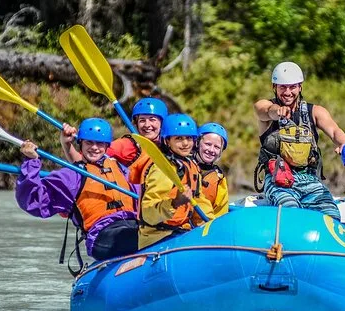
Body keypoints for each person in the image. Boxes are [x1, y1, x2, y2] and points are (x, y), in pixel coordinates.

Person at [16, 118, 138, 261]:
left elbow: (144, 196)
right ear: (81, 143)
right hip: (102, 235)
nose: (94, 148)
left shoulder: (120, 169)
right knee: (136, 236)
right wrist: (31, 161)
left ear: (107, 146)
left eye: (100, 143)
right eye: (89, 143)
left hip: (130, 225)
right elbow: (34, 200)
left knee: (152, 231)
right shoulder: (71, 176)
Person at [253, 61, 345, 220]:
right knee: (290, 210)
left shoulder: (316, 112)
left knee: (331, 216)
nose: (287, 92)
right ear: (274, 87)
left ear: (300, 87)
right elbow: (266, 111)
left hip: (310, 181)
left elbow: (334, 131)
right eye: (282, 87)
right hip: (278, 181)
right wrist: (278, 111)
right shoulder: (265, 107)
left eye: (292, 87)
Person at [138, 113, 214, 248]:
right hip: (157, 237)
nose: (185, 143)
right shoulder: (162, 169)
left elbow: (200, 201)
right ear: (167, 141)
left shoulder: (192, 166)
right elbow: (148, 213)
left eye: (189, 138)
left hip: (181, 232)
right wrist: (175, 202)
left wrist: (213, 226)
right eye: (179, 138)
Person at [60, 97, 169, 170]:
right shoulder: (126, 145)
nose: (147, 125)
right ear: (136, 123)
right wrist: (66, 144)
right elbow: (83, 162)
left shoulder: (170, 144)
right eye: (142, 120)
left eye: (152, 119)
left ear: (162, 123)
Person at [195, 122, 229, 218]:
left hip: (204, 224)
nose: (211, 150)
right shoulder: (183, 166)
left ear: (221, 151)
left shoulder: (219, 178)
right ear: (197, 143)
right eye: (208, 144)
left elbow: (220, 212)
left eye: (217, 147)